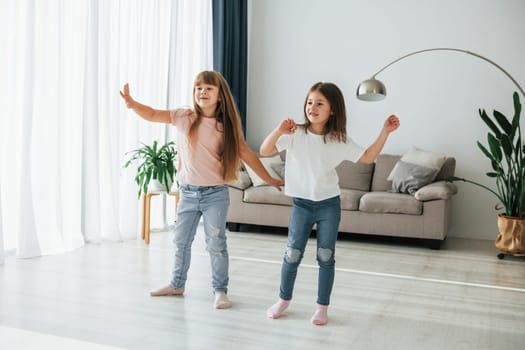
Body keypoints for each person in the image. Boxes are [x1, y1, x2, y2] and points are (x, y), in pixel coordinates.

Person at [120, 70, 283, 309]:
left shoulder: (224, 127)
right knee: (180, 242)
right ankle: (177, 284)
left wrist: (269, 178)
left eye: (208, 88)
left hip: (214, 194)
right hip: (187, 193)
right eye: (199, 88)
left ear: (219, 95)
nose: (203, 92)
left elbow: (247, 154)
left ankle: (220, 290)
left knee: (216, 243)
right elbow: (154, 114)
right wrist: (133, 104)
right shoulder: (184, 117)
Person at [260, 82, 400, 325]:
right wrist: (279, 130)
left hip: (328, 205)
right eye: (309, 102)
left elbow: (367, 157)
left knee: (326, 256)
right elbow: (265, 150)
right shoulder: (295, 134)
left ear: (332, 109)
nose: (312, 107)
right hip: (302, 205)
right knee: (292, 254)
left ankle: (322, 307)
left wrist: (385, 132)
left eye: (319, 103)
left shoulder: (339, 139)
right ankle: (283, 300)